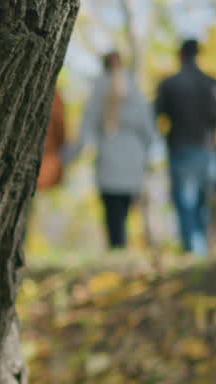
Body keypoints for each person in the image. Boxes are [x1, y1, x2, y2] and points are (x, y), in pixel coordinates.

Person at [65, 51, 158, 250]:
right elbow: (149, 128)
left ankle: (117, 246)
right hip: (133, 156)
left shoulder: (99, 87)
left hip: (109, 153)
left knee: (112, 207)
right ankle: (121, 246)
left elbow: (86, 125)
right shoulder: (135, 87)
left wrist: (71, 155)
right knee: (124, 206)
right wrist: (148, 155)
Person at [155, 38, 216, 257]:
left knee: (185, 205)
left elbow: (154, 117)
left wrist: (162, 142)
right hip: (209, 154)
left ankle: (193, 252)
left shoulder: (170, 84)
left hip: (181, 150)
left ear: (181, 56)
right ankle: (201, 253)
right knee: (203, 205)